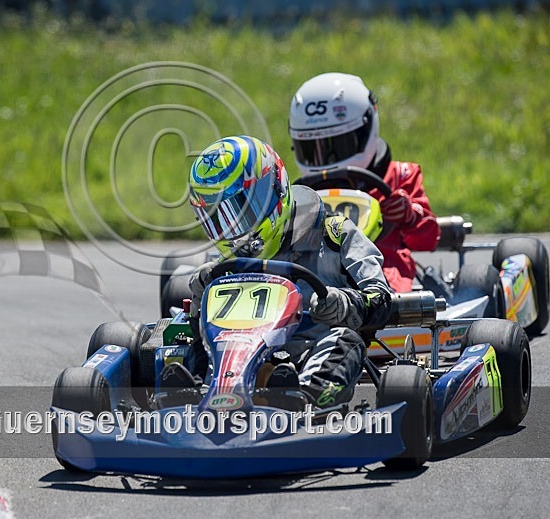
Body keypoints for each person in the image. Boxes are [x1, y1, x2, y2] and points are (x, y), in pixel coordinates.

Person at [161, 135, 393, 408]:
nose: (232, 228)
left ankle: (304, 398)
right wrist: (204, 293)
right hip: (235, 356)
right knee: (185, 337)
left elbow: (380, 298)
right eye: (218, 218)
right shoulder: (228, 259)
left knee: (346, 340)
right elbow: (205, 321)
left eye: (241, 211)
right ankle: (191, 392)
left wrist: (343, 304)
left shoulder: (334, 235)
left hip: (309, 349)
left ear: (276, 189)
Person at [288, 72, 440, 293]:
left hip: (387, 278)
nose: (326, 161)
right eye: (313, 150)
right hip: (319, 283)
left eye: (337, 146)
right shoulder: (300, 195)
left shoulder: (399, 176)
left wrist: (408, 215)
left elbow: (427, 240)